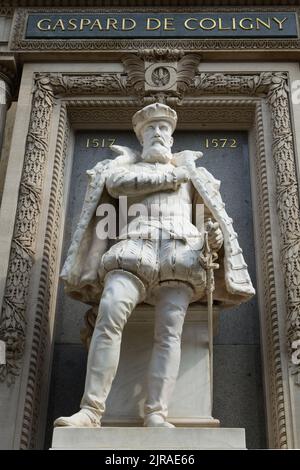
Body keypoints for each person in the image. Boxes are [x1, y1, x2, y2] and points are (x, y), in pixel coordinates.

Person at [54, 103, 255, 428]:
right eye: (152, 129)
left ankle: (156, 413)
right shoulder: (125, 172)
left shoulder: (195, 177)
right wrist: (174, 174)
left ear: (172, 138)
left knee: (170, 334)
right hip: (134, 248)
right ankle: (91, 411)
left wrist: (212, 238)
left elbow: (206, 218)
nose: (159, 133)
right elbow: (118, 186)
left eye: (164, 129)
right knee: (109, 314)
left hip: (180, 253)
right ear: (142, 137)